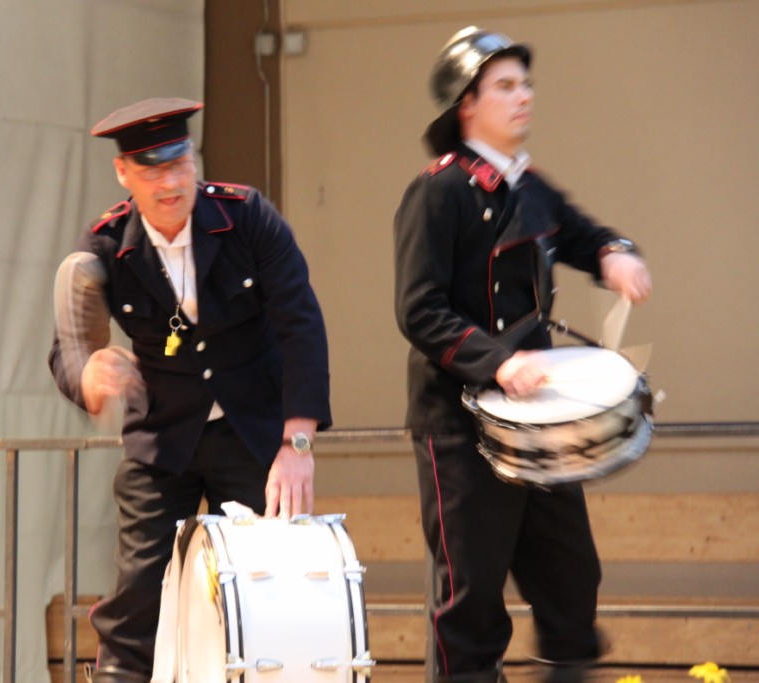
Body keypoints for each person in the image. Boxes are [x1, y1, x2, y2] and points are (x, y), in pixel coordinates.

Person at [393, 27, 652, 683]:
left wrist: (614, 255)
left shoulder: (529, 185)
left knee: (570, 577)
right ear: (466, 104)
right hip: (460, 424)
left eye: (526, 83)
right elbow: (419, 309)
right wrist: (497, 363)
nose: (524, 96)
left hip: (537, 419)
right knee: (471, 596)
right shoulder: (438, 191)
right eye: (505, 86)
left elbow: (585, 234)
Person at [49, 97, 331, 683]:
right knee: (138, 598)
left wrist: (297, 444)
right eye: (151, 170)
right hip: (163, 440)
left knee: (268, 597)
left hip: (254, 435)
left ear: (194, 160)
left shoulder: (247, 218)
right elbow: (68, 347)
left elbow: (301, 324)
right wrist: (88, 374)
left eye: (180, 164)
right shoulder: (105, 246)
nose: (171, 183)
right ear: (123, 173)